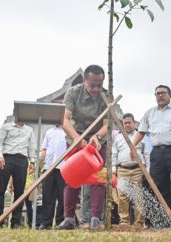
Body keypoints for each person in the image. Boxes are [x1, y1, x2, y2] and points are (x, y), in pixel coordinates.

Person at [132, 85, 171, 228]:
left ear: (170, 95)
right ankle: (164, 220)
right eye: (157, 94)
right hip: (157, 153)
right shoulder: (149, 113)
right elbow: (141, 131)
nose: (160, 96)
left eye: (163, 93)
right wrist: (133, 146)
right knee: (159, 187)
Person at [56, 65, 108, 230]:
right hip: (76, 137)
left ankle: (95, 219)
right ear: (85, 81)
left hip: (97, 141)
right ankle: (69, 219)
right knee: (72, 178)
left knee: (98, 180)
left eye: (99, 85)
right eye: (92, 85)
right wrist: (77, 139)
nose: (95, 89)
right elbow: (65, 120)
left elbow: (107, 124)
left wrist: (97, 136)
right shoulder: (73, 92)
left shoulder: (106, 95)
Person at [0, 119, 36, 228]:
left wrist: (32, 161)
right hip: (6, 158)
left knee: (19, 192)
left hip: (22, 160)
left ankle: (16, 222)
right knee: (1, 189)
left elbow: (31, 145)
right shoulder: (6, 126)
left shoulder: (29, 129)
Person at [112, 113, 149, 226]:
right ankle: (124, 222)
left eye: (129, 122)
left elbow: (146, 154)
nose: (127, 125)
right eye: (125, 123)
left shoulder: (141, 136)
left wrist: (147, 170)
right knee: (122, 196)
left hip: (137, 169)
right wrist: (113, 169)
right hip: (122, 170)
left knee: (138, 196)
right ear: (122, 125)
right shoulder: (118, 137)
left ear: (134, 123)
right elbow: (114, 154)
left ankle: (139, 222)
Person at [38, 125, 66, 230]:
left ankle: (61, 221)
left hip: (63, 167)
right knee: (47, 195)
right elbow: (44, 149)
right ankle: (46, 223)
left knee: (63, 196)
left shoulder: (68, 130)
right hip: (48, 168)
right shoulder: (49, 131)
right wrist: (41, 166)